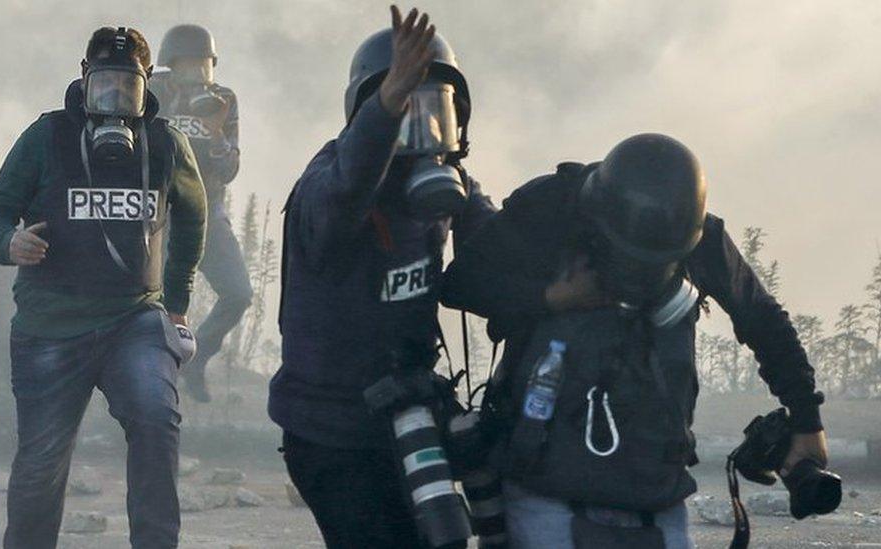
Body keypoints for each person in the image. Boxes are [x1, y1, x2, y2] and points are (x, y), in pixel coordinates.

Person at [441, 134, 829, 548]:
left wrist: (806, 419)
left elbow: (764, 321)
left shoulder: (698, 234)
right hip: (542, 486)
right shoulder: (550, 207)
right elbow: (462, 284)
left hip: (655, 492)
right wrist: (552, 299)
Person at [267, 6, 496, 548]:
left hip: (405, 417)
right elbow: (347, 189)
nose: (422, 128)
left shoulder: (443, 188)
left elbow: (498, 258)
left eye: (436, 110)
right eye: (405, 108)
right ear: (369, 112)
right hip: (332, 433)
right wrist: (386, 106)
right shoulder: (328, 183)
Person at [0, 27, 207, 549]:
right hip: (50, 326)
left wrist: (177, 302)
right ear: (83, 80)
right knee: (41, 463)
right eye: (105, 84)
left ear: (148, 88)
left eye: (129, 87)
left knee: (156, 421)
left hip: (135, 321)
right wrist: (9, 244)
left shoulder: (166, 144)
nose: (116, 98)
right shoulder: (48, 136)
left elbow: (193, 217)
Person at [150, 24, 252, 402]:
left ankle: (198, 356)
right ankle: (152, 377)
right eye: (187, 67)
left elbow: (230, 168)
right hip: (160, 210)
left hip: (208, 208)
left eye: (203, 67)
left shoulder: (223, 99)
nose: (196, 76)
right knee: (155, 299)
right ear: (171, 67)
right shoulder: (153, 90)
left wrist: (215, 133)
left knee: (238, 292)